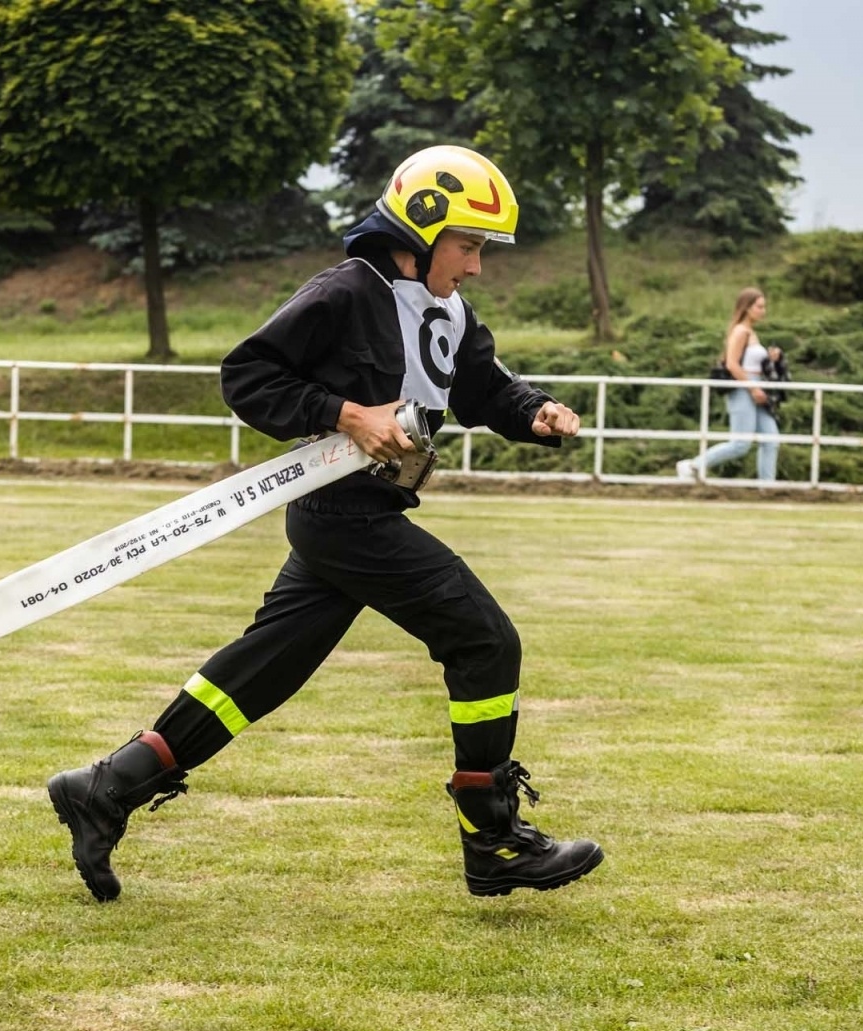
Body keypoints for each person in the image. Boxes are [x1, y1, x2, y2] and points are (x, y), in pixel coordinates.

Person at [46, 146, 604, 903]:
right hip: (343, 517)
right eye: (469, 248)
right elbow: (249, 375)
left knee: (256, 675)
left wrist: (533, 411)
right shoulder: (346, 291)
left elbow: (482, 386)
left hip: (356, 518)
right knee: (484, 639)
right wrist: (344, 414)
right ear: (422, 232)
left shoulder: (448, 309)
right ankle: (494, 840)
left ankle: (105, 788)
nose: (475, 268)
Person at [678, 287, 784, 482]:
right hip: (744, 388)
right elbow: (732, 364)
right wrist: (752, 388)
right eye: (759, 307)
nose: (763, 311)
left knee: (770, 439)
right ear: (747, 308)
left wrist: (771, 359)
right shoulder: (741, 332)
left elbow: (750, 363)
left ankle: (767, 486)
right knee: (740, 444)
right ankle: (693, 465)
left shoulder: (751, 332)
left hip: (755, 386)